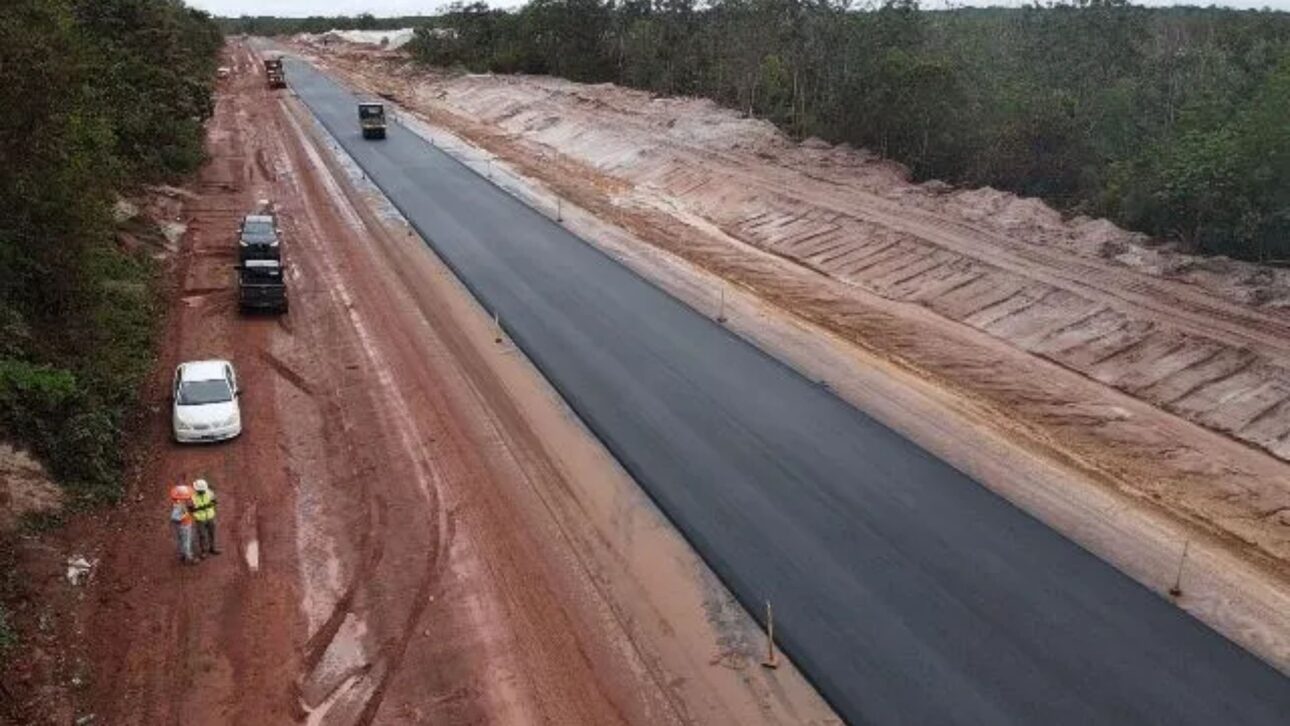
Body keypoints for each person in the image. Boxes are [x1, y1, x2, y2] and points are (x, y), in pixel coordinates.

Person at [191, 478, 220, 558]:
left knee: (212, 533)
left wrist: (212, 503)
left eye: (202, 490)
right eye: (200, 491)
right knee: (202, 535)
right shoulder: (192, 496)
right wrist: (202, 507)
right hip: (200, 519)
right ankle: (203, 551)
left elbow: (215, 501)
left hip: (210, 516)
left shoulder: (209, 492)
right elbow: (190, 509)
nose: (201, 492)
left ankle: (212, 548)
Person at [170, 482, 195, 564]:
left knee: (181, 540)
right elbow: (174, 517)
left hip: (182, 525)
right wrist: (185, 516)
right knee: (186, 541)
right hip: (184, 525)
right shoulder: (179, 505)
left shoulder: (178, 502)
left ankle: (183, 555)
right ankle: (188, 558)